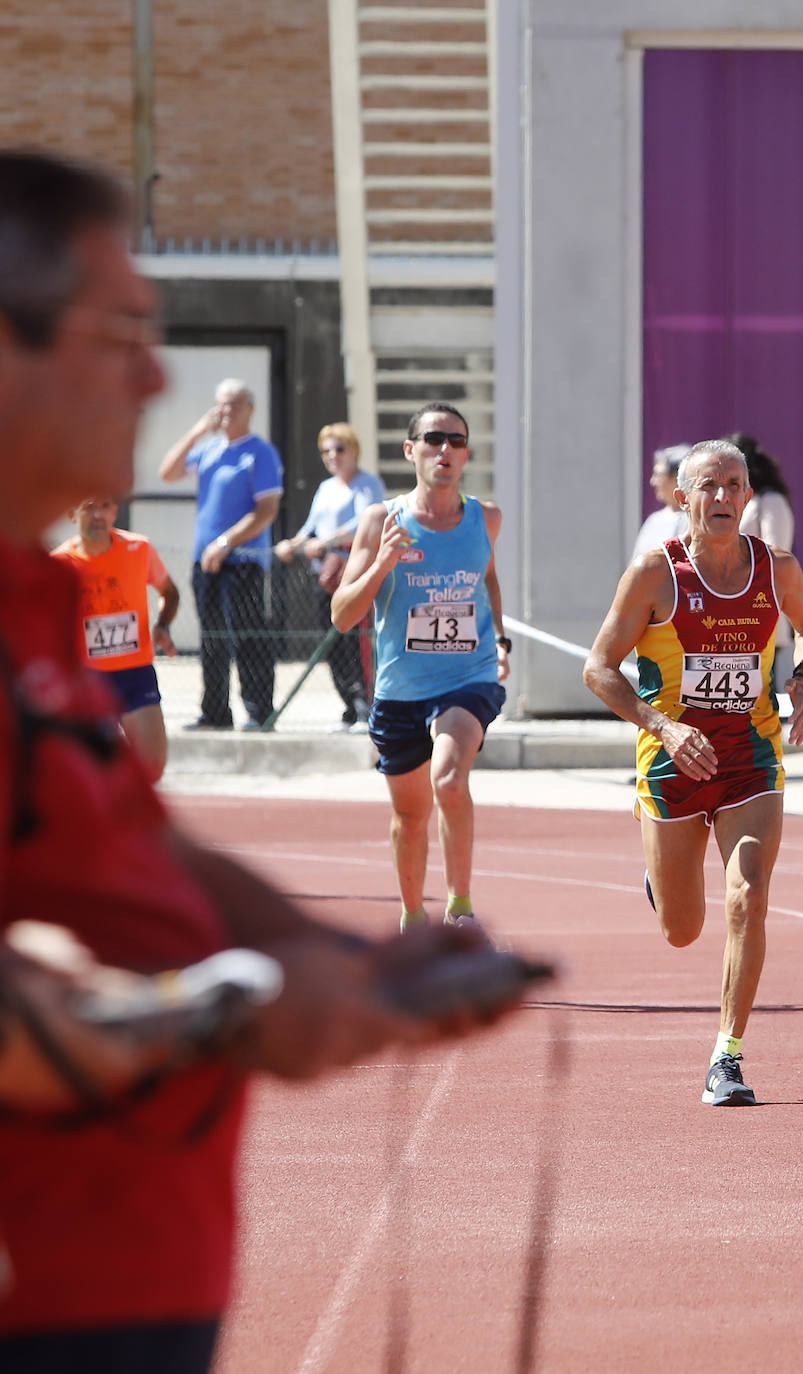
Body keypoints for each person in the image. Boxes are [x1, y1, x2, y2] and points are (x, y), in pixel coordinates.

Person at [0, 147, 523, 1372]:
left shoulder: (35, 602)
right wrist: (205, 1011)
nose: (155, 374)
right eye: (119, 328)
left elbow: (141, 850)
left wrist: (351, 961)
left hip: (130, 1283)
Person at [583, 438, 803, 1106]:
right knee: (683, 929)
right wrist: (662, 725)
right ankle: (663, 878)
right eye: (708, 487)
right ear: (682, 497)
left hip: (752, 759)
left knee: (747, 894)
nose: (722, 498)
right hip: (673, 764)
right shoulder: (654, 574)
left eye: (733, 486)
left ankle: (729, 1054)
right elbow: (598, 668)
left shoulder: (776, 568)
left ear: (749, 497)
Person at [332, 403, 510, 933]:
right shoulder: (380, 521)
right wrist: (384, 561)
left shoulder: (487, 517)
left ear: (467, 455)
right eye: (434, 439)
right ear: (410, 450)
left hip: (468, 678)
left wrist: (499, 638)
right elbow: (343, 616)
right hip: (402, 687)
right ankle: (413, 917)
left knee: (450, 780)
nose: (445, 450)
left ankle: (461, 911)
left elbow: (489, 578)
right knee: (411, 818)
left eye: (456, 441)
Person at [159, 377, 282, 731]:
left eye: (235, 403)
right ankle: (216, 712)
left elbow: (266, 510)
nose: (227, 410)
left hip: (242, 561)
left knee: (248, 637)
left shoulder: (260, 452)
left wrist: (227, 542)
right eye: (222, 403)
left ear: (250, 408)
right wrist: (198, 431)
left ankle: (260, 712)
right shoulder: (209, 449)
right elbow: (167, 472)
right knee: (211, 639)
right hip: (206, 562)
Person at [51, 495, 179, 780]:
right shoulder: (59, 563)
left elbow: (168, 592)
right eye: (90, 507)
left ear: (115, 512)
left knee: (153, 766)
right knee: (87, 772)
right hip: (86, 680)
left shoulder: (139, 549)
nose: (99, 515)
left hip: (134, 673)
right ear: (72, 513)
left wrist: (163, 626)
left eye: (106, 507)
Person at [274, 422, 385, 732]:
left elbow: (363, 522)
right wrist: (293, 544)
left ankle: (367, 707)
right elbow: (311, 526)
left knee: (356, 641)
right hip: (324, 575)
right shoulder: (325, 488)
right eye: (326, 451)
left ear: (354, 451)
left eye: (339, 449)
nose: (332, 456)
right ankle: (350, 707)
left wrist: (327, 542)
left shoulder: (368, 484)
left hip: (354, 574)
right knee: (331, 642)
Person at [729, 432, 796, 678]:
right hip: (732, 608)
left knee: (760, 686)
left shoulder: (771, 501)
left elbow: (777, 552)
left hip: (760, 607)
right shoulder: (744, 501)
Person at [631, 443, 690, 557]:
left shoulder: (696, 523)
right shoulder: (653, 521)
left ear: (676, 478)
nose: (653, 481)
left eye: (659, 475)